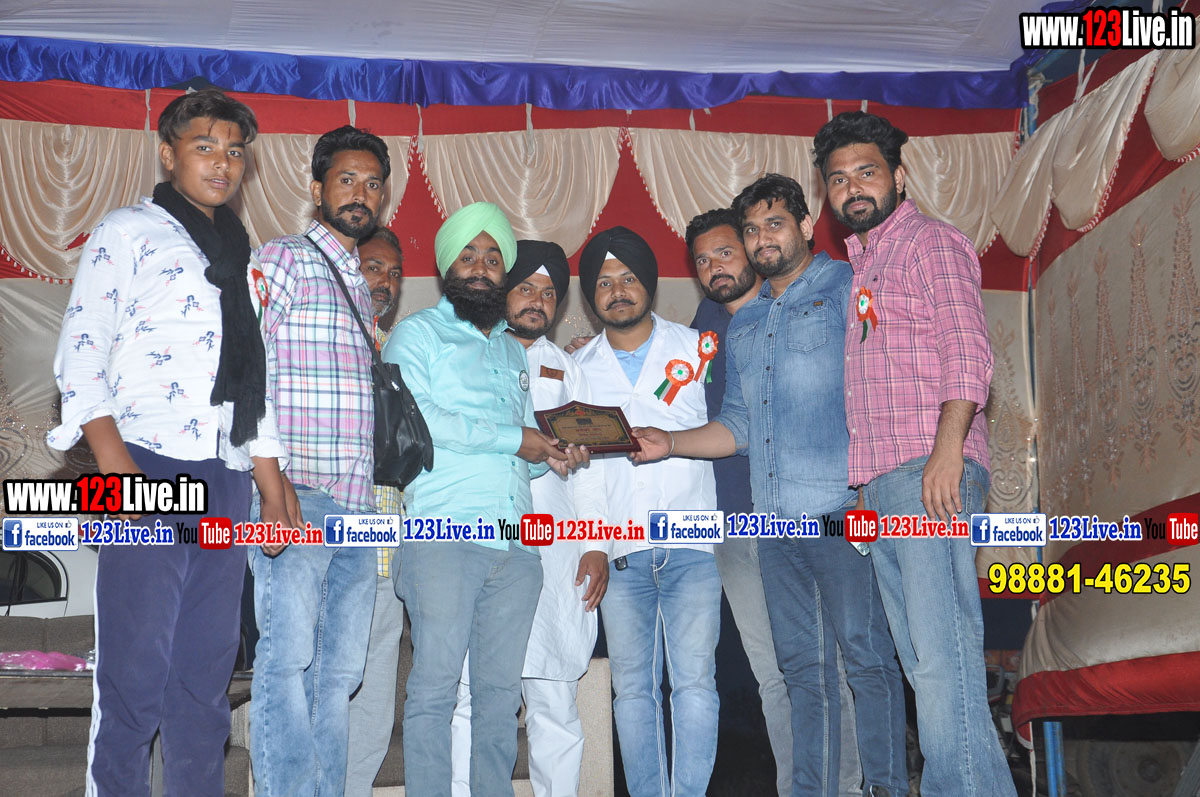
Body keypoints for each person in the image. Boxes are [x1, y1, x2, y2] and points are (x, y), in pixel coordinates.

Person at [47, 89, 294, 796]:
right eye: (204, 146)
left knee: (205, 679)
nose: (223, 162)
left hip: (225, 475)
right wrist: (115, 465)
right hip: (142, 460)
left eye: (235, 151)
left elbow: (250, 383)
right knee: (133, 674)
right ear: (168, 153)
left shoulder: (243, 258)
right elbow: (82, 351)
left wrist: (272, 485)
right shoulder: (127, 230)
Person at [633, 176, 908, 797]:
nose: (761, 240)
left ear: (807, 225)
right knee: (800, 673)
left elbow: (880, 382)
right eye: (752, 230)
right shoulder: (741, 325)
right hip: (771, 524)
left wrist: (872, 485)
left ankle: (882, 789)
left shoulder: (848, 285)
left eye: (772, 225)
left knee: (866, 662)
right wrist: (668, 441)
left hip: (842, 513)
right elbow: (737, 425)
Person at [813, 110, 1013, 796]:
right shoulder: (862, 268)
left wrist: (947, 452)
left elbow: (969, 350)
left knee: (941, 659)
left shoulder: (932, 242)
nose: (853, 187)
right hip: (883, 485)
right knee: (928, 664)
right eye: (838, 179)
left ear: (898, 177)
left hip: (929, 472)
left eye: (866, 172)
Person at [383, 203, 586, 795]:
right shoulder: (417, 334)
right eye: (468, 256)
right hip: (443, 535)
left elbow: (524, 445)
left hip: (517, 546)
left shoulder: (510, 350)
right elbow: (417, 419)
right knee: (435, 689)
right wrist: (516, 439)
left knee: (499, 700)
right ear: (447, 266)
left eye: (493, 258)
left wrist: (554, 454)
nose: (480, 267)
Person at [250, 124, 390, 796]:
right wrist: (271, 485)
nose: (360, 193)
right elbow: (244, 372)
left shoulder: (360, 284)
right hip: (296, 492)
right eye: (346, 180)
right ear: (317, 188)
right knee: (286, 663)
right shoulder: (281, 258)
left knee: (339, 677)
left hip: (358, 508)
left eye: (372, 184)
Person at [449, 239, 611, 797]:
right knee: (471, 696)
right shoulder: (469, 352)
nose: (537, 301)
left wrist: (597, 545)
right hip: (483, 541)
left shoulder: (567, 368)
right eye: (525, 288)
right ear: (502, 291)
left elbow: (590, 469)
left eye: (548, 293)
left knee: (554, 697)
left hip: (558, 553)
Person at [572, 225, 721, 797]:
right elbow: (585, 471)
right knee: (632, 690)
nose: (617, 291)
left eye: (628, 278)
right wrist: (594, 541)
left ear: (649, 284)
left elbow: (725, 432)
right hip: (623, 555)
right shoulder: (580, 367)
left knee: (695, 685)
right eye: (604, 282)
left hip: (691, 544)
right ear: (592, 296)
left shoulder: (696, 349)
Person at [684, 208, 795, 796]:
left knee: (822, 668)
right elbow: (668, 384)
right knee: (770, 676)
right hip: (730, 523)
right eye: (702, 260)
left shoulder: (790, 308)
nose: (714, 268)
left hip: (799, 517)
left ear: (752, 248)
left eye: (725, 252)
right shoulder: (705, 320)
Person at [345, 225, 406, 796]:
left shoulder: (400, 349)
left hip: (388, 554)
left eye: (393, 272)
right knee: (327, 685)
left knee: (375, 698)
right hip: (331, 549)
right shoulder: (320, 339)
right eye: (372, 268)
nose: (384, 281)